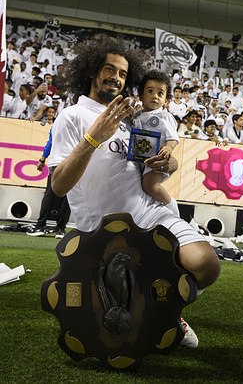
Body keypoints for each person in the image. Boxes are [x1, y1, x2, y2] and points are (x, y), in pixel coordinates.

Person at [48, 35, 220, 348]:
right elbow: (59, 185)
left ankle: (166, 311)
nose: (116, 77)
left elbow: (151, 168)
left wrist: (169, 164)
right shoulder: (72, 117)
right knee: (116, 306)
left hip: (147, 213)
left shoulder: (131, 121)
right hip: (100, 227)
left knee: (207, 264)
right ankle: (139, 303)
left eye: (123, 74)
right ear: (91, 72)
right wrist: (94, 137)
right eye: (109, 69)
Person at [133, 70, 179, 215]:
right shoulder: (138, 115)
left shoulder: (164, 116)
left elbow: (173, 138)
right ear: (140, 95)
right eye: (150, 91)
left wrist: (168, 148)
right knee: (144, 187)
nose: (155, 96)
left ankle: (170, 204)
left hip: (157, 159)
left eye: (160, 94)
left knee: (149, 186)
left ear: (166, 100)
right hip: (142, 158)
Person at [27, 127, 71, 238]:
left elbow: (50, 143)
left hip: (57, 162)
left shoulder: (57, 124)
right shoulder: (80, 121)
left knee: (50, 194)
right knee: (68, 196)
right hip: (72, 162)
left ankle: (40, 226)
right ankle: (61, 229)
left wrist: (42, 160)